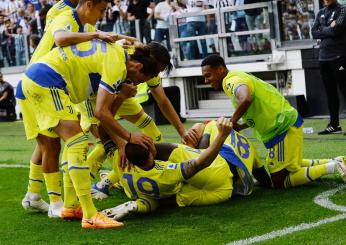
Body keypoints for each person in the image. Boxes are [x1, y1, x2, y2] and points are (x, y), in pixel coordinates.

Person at [16, 40, 162, 228]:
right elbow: (101, 114)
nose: (135, 83)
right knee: (77, 142)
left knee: (65, 144)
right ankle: (90, 215)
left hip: (36, 80)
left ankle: (69, 205)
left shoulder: (116, 52)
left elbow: (103, 115)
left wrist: (121, 139)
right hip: (47, 80)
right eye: (139, 79)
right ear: (138, 66)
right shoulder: (117, 65)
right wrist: (129, 137)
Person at [20, 0, 123, 219]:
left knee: (48, 143)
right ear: (88, 4)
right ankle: (65, 205)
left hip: (45, 79)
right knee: (63, 142)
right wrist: (95, 36)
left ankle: (34, 194)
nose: (102, 14)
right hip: (43, 79)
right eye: (101, 9)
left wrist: (129, 41)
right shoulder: (66, 14)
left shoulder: (79, 22)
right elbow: (59, 38)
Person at [200, 54, 346, 189]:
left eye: (208, 75)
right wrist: (242, 125)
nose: (206, 81)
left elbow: (246, 99)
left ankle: (334, 166)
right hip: (285, 122)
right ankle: (336, 160)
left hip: (281, 128)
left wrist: (231, 122)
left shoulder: (229, 81)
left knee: (279, 181)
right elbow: (256, 107)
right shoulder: (237, 75)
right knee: (291, 166)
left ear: (220, 69)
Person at [102, 117, 234, 220]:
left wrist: (121, 145)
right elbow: (201, 164)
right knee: (179, 196)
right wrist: (222, 135)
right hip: (219, 184)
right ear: (151, 153)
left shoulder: (118, 160)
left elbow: (101, 128)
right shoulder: (166, 171)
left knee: (155, 201)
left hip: (137, 192)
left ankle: (130, 199)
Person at [311, 0, 346, 135]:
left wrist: (323, 29)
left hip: (339, 57)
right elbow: (314, 32)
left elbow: (337, 30)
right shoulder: (320, 12)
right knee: (330, 93)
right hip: (323, 58)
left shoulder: (342, 9)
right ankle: (334, 124)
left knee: (345, 90)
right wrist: (328, 28)